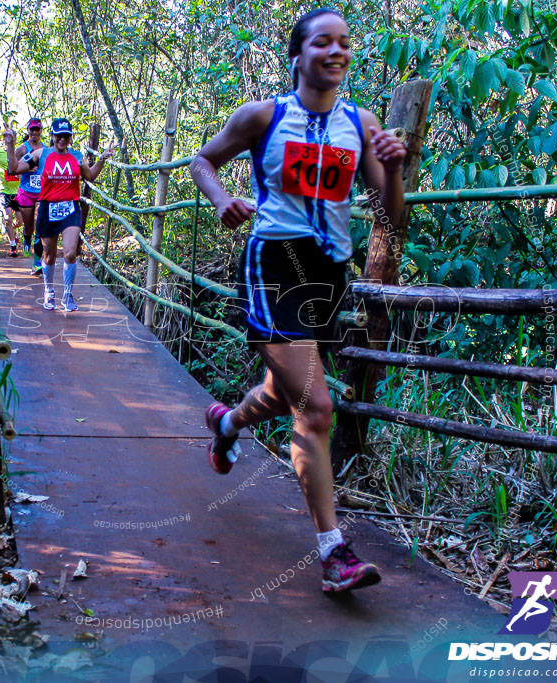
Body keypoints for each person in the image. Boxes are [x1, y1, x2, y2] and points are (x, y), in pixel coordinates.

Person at [189, 8, 406, 593]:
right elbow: (202, 160)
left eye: (344, 43)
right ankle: (334, 553)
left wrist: (393, 168)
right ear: (298, 55)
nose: (336, 52)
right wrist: (220, 199)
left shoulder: (359, 126)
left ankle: (229, 422)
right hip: (274, 266)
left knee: (284, 391)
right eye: (321, 42)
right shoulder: (264, 116)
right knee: (315, 408)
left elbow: (390, 217)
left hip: (330, 273)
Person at [5, 118, 115, 311]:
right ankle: (49, 291)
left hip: (71, 209)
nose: (62, 139)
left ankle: (67, 294)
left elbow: (90, 175)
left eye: (66, 136)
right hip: (48, 209)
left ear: (70, 138)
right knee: (49, 256)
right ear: (53, 136)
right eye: (59, 135)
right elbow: (14, 169)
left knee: (71, 252)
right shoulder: (41, 154)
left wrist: (102, 159)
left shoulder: (77, 156)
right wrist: (10, 145)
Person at [12, 118, 46, 274]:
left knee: (39, 225)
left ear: (41, 130)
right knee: (29, 226)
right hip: (26, 191)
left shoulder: (46, 149)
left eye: (37, 129)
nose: (34, 132)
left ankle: (37, 262)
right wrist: (26, 169)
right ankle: (26, 238)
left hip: (41, 192)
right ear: (28, 130)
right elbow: (11, 169)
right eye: (32, 129)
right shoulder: (22, 148)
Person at [0, 133, 24, 257]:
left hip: (19, 192)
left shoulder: (20, 152)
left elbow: (27, 167)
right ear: (3, 139)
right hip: (4, 191)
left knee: (19, 221)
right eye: (7, 138)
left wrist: (21, 174)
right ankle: (13, 246)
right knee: (8, 218)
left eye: (12, 138)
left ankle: (13, 232)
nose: (9, 141)